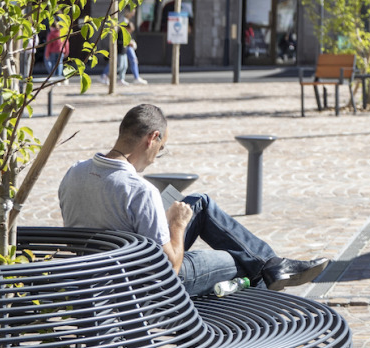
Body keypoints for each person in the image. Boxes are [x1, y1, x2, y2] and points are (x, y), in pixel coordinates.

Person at [58, 104, 330, 296]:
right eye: (161, 149)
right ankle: (263, 344)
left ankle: (273, 265)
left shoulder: (74, 173)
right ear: (153, 138)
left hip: (95, 271)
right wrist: (176, 225)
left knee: (199, 202)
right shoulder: (140, 190)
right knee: (243, 262)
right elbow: (170, 269)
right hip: (143, 285)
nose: (156, 157)